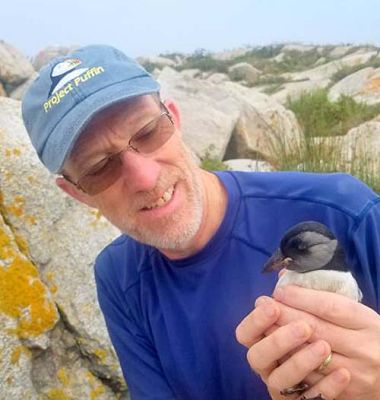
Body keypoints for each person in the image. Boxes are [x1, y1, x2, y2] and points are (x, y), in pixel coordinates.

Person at [22, 44, 380, 400]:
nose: (144, 177)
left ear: (175, 119)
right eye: (99, 168)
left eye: (148, 132)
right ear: (77, 193)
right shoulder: (118, 275)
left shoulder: (347, 211)